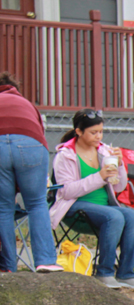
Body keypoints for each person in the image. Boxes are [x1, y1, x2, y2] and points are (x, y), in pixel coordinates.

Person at [50, 109, 134, 289]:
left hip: (105, 207)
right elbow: (67, 191)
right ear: (78, 132)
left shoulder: (104, 152)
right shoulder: (66, 155)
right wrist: (99, 176)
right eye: (93, 132)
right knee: (115, 216)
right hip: (74, 208)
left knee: (132, 216)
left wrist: (120, 165)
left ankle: (126, 273)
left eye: (101, 131)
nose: (98, 136)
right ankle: (105, 272)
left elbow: (119, 187)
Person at [0, 72, 62, 273]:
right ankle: (45, 261)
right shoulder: (26, 103)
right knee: (36, 203)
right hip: (31, 144)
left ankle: (8, 267)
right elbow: (39, 132)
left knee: (3, 207)